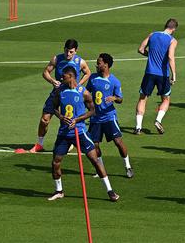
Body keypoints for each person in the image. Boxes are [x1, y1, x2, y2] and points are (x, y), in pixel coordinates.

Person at [47, 66, 119, 202]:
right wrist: (61, 117)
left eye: (64, 76)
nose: (61, 78)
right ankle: (59, 191)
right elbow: (54, 108)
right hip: (64, 133)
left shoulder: (83, 92)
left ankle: (110, 191)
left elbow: (92, 111)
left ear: (71, 76)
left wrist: (77, 120)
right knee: (56, 162)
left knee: (95, 160)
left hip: (80, 132)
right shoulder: (59, 91)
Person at [31, 39, 90, 153]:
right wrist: (52, 81)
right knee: (44, 120)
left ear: (76, 51)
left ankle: (69, 143)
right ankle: (39, 144)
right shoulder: (57, 59)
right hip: (57, 93)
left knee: (68, 119)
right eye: (66, 51)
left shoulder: (80, 61)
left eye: (71, 52)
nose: (68, 54)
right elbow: (45, 72)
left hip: (72, 95)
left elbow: (88, 73)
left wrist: (78, 85)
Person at [86, 53, 133, 178]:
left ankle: (127, 166)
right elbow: (87, 93)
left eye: (99, 62)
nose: (97, 64)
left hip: (109, 116)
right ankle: (100, 169)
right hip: (95, 118)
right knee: (94, 145)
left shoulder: (114, 81)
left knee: (117, 141)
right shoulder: (93, 78)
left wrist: (114, 98)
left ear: (106, 65)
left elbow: (120, 99)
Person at [136, 19, 178, 134]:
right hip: (163, 75)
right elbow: (170, 56)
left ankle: (138, 127)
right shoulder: (172, 40)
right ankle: (158, 120)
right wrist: (174, 74)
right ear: (174, 29)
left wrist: (150, 55)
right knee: (166, 99)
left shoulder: (152, 34)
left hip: (149, 73)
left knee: (143, 98)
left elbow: (140, 49)